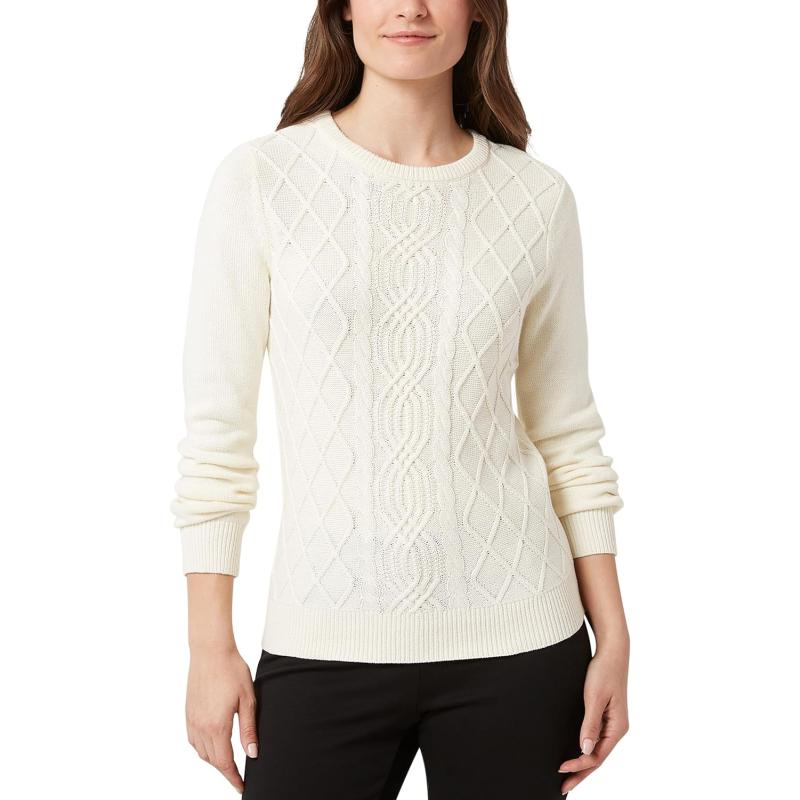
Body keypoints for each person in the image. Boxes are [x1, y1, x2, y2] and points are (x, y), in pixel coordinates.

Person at [171, 1, 630, 797]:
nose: (411, 7)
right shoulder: (262, 181)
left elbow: (567, 435)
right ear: (345, 8)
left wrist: (613, 637)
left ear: (479, 12)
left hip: (521, 639)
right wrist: (209, 648)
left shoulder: (535, 198)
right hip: (324, 633)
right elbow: (217, 440)